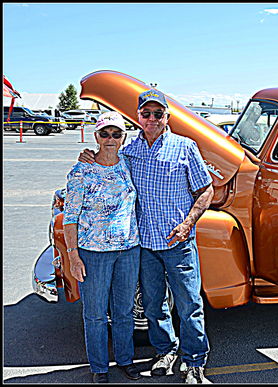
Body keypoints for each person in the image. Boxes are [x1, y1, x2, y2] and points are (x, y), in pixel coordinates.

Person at [79, 89, 214, 384]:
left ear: (167, 117)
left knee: (190, 305)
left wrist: (189, 223)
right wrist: (88, 157)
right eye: (146, 114)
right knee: (154, 306)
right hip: (144, 246)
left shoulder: (185, 147)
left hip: (178, 243)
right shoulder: (129, 152)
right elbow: (106, 164)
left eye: (158, 114)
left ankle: (194, 362)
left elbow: (206, 190)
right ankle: (165, 351)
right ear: (138, 117)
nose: (152, 119)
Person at [64, 111, 141, 383]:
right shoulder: (80, 171)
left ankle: (125, 360)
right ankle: (99, 367)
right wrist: (74, 257)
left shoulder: (130, 164)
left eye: (116, 133)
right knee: (95, 314)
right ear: (96, 136)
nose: (110, 139)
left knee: (123, 310)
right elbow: (69, 218)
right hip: (93, 253)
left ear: (123, 137)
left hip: (129, 250)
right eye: (105, 133)